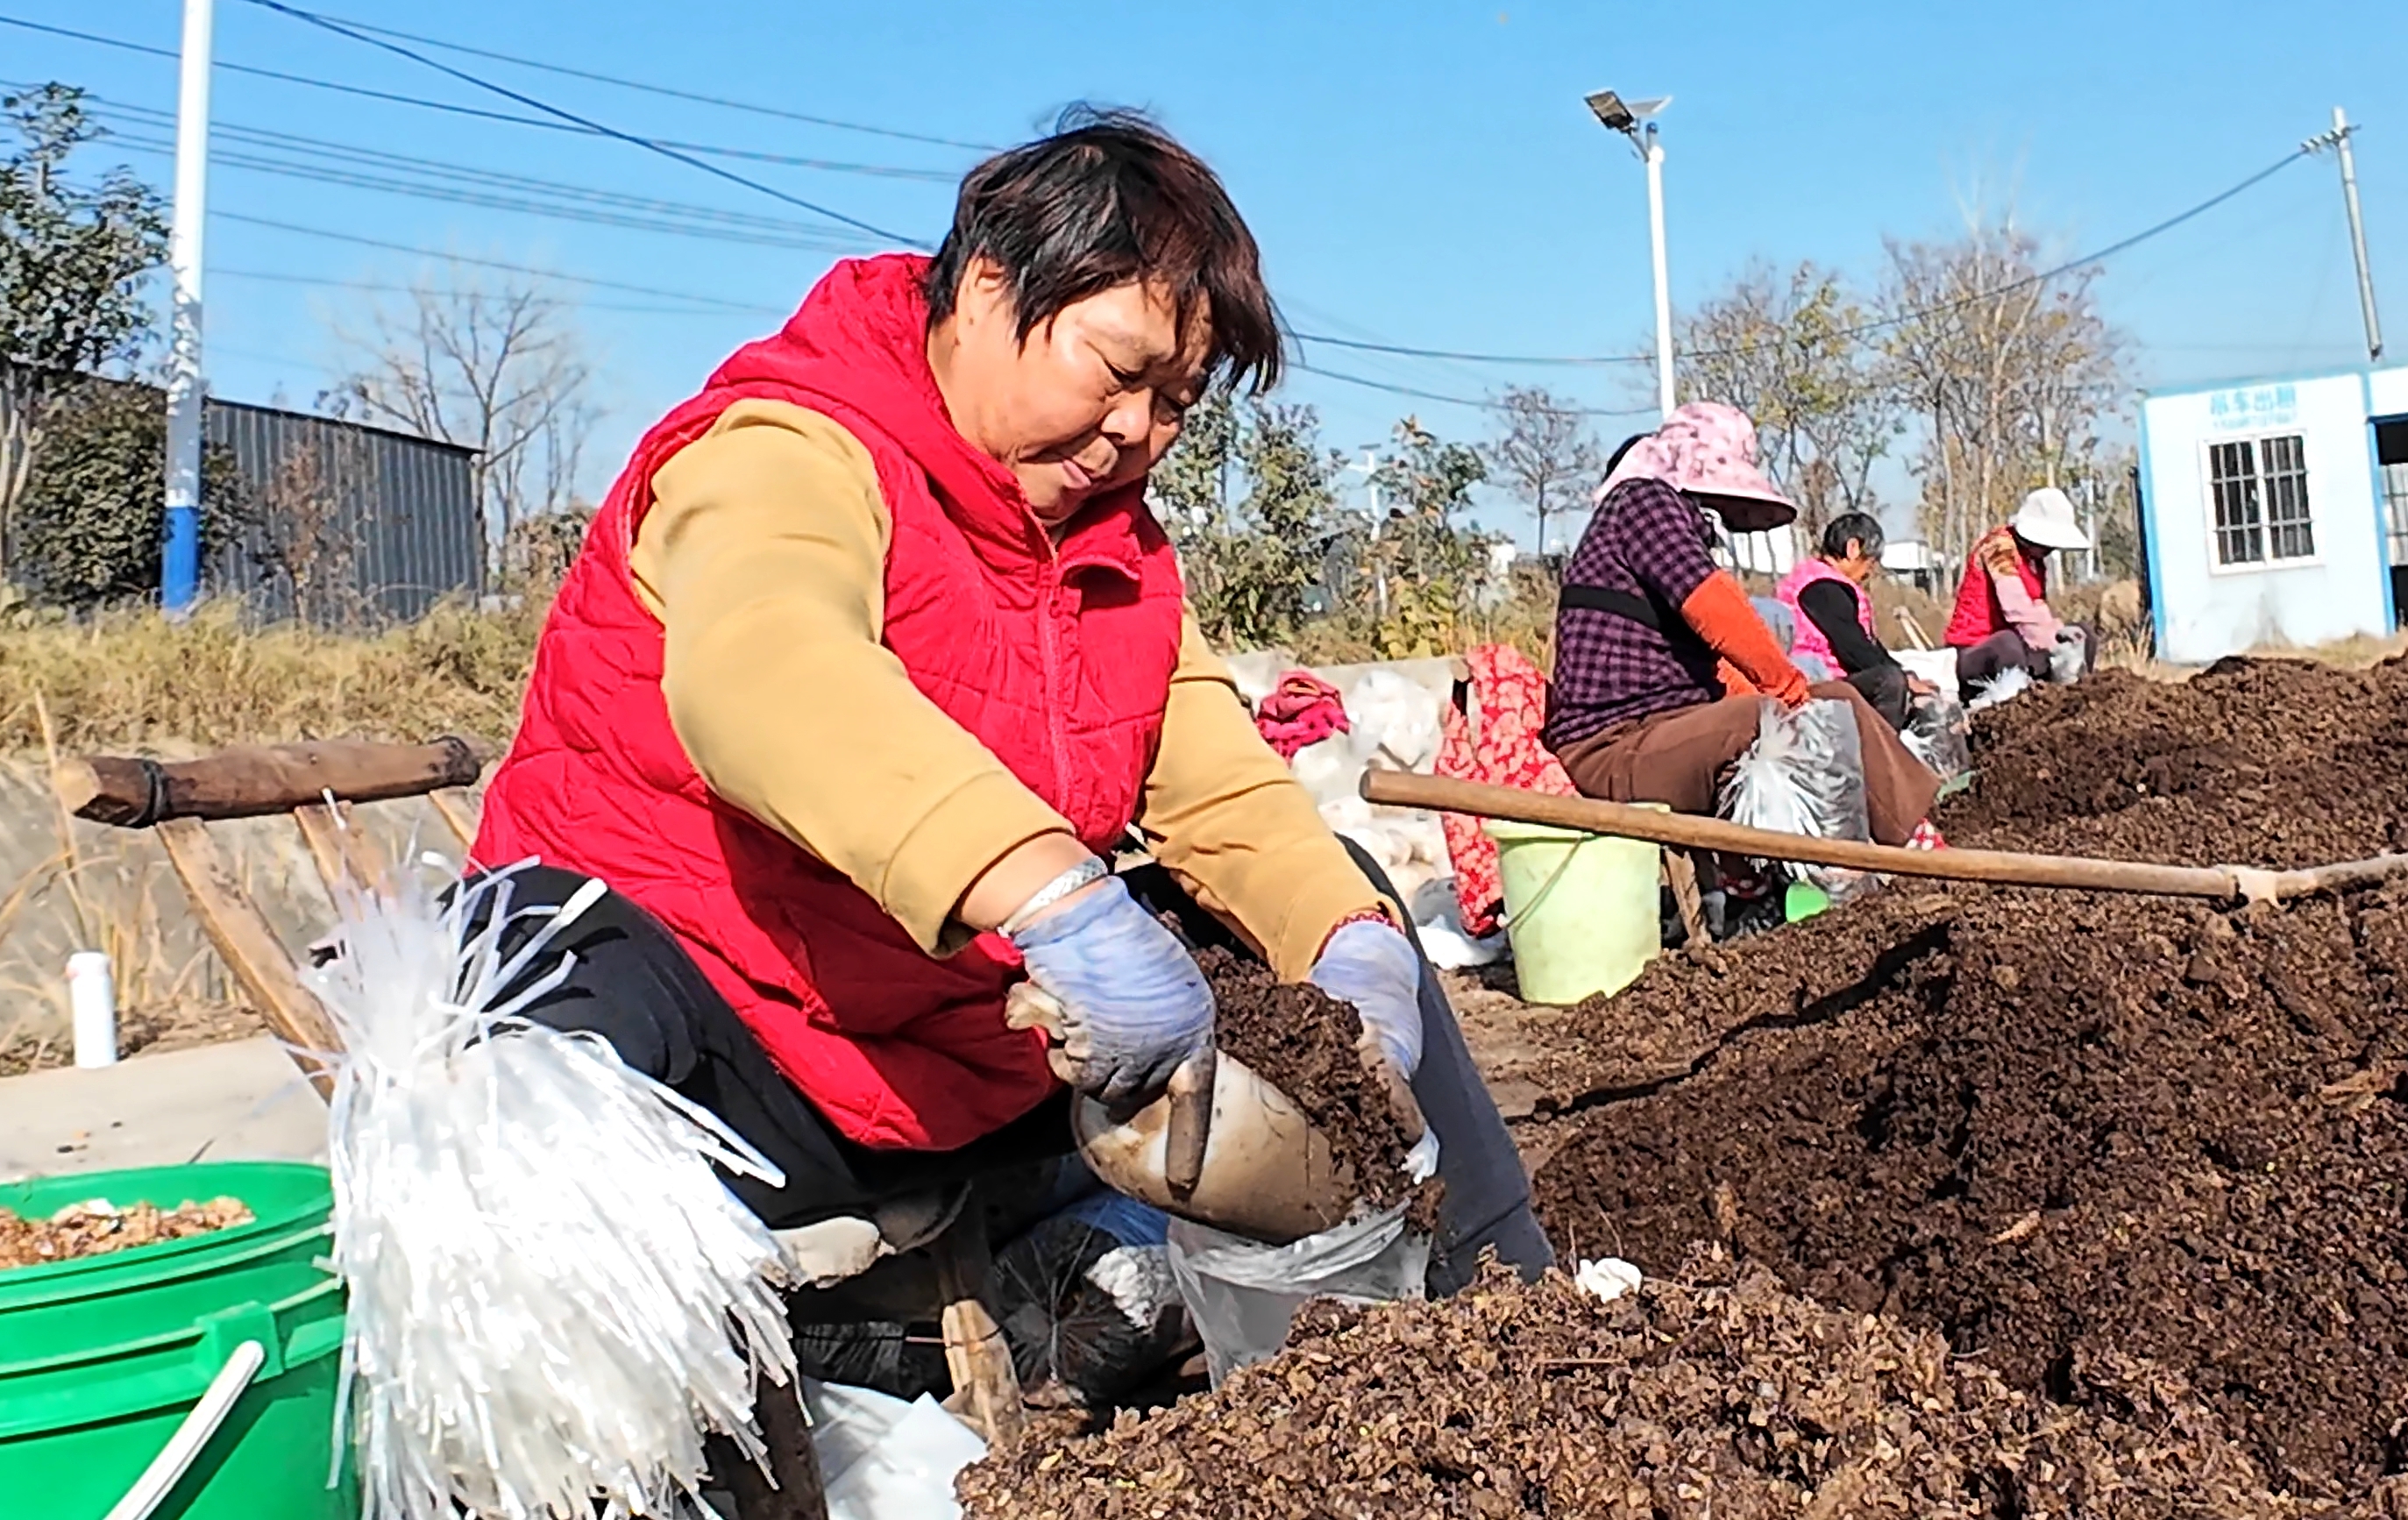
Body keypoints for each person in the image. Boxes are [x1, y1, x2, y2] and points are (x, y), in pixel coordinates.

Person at [466, 108, 1549, 1301]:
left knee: (1337, 890)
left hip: (956, 1063)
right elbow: (766, 676)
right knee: (538, 964)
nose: (1140, 428)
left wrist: (1351, 953)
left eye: (1177, 403)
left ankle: (1497, 1297)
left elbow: (1222, 789)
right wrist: (1051, 895)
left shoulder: (1116, 555)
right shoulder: (786, 448)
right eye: (1119, 370)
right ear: (987, 285)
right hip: (735, 1059)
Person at [1542, 404, 1938, 845]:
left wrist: (1798, 696)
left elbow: (1719, 662)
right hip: (1615, 745)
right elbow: (1715, 608)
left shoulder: (1671, 524)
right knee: (1761, 719)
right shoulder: (1642, 502)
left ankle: (1913, 831)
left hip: (1670, 727)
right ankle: (1838, 865)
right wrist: (1786, 686)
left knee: (1839, 699)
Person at [1772, 513, 1929, 731]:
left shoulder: (1819, 581)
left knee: (1897, 678)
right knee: (1889, 681)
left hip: (1825, 677)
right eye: (1870, 562)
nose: (1869, 572)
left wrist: (1908, 674)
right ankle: (1883, 754)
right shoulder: (1822, 587)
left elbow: (1868, 644)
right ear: (1853, 548)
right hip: (1814, 680)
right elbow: (1853, 648)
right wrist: (1902, 678)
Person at [1947, 487, 2095, 698]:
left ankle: (2075, 697)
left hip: (2022, 645)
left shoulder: (2035, 561)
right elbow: (2016, 608)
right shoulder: (1999, 548)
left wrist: (2060, 634)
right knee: (2007, 644)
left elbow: (2036, 609)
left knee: (2082, 635)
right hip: (1978, 651)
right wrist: (2053, 644)